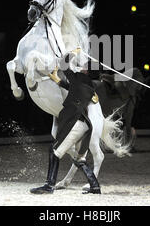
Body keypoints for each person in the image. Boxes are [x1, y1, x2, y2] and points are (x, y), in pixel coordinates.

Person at [30, 48, 101, 194]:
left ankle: (49, 185)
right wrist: (58, 81)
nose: (82, 67)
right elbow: (72, 88)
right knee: (80, 159)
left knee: (54, 151)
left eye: (85, 66)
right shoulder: (88, 86)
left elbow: (63, 65)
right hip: (84, 125)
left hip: (75, 123)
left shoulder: (80, 79)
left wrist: (73, 52)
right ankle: (95, 186)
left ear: (86, 71)